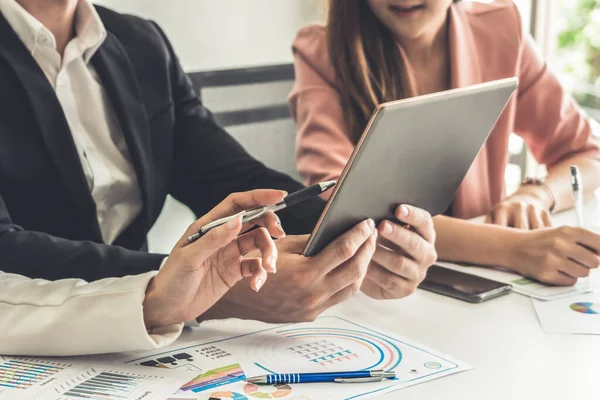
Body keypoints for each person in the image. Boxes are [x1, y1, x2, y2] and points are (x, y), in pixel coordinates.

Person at [0, 0, 436, 354]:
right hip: (30, 345)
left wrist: (353, 233)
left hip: (146, 350)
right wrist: (201, 289)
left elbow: (229, 176)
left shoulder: (139, 42)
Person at [289, 0, 600, 286]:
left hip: (484, 284)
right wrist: (513, 249)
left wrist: (537, 195)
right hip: (377, 289)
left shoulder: (500, 27)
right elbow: (343, 205)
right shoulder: (321, 52)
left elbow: (586, 153)